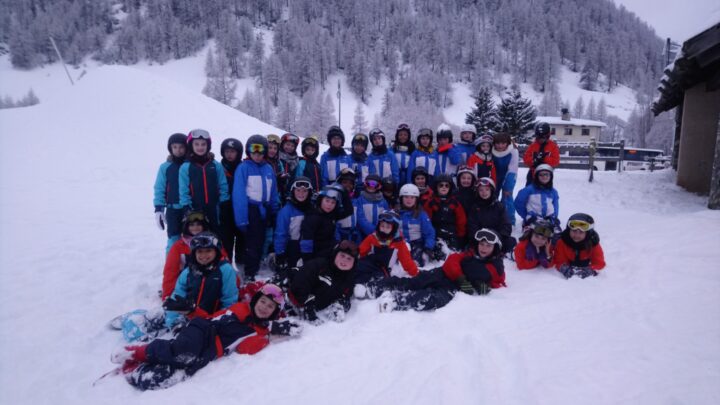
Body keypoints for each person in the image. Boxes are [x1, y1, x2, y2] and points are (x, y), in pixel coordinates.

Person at [113, 284, 301, 391]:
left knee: (170, 375)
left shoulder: (260, 332)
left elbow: (245, 349)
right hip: (202, 330)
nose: (264, 308)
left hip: (211, 351)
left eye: (270, 307)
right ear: (255, 300)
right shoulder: (239, 309)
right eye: (262, 302)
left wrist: (270, 335)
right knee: (183, 351)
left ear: (274, 314)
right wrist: (192, 311)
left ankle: (137, 370)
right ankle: (136, 352)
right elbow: (212, 318)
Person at [373, 228, 506, 312]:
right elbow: (452, 260)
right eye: (481, 244)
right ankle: (380, 286)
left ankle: (396, 301)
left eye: (488, 246)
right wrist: (460, 277)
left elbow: (498, 281)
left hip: (453, 288)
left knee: (434, 298)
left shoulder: (496, 266)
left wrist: (483, 287)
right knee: (416, 282)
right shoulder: (469, 254)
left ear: (496, 248)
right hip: (442, 274)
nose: (483, 248)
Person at [162, 232, 240, 330]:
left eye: (208, 250)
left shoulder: (225, 270)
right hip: (188, 318)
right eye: (199, 251)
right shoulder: (188, 271)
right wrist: (174, 322)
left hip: (212, 321)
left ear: (216, 251)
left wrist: (217, 323)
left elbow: (229, 302)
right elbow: (177, 297)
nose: (204, 255)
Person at [233, 135, 281, 281]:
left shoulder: (268, 168)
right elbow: (239, 194)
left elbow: (273, 191)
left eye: (260, 151)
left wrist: (274, 211)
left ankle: (257, 267)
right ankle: (249, 273)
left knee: (261, 241)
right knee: (252, 244)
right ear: (248, 151)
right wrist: (241, 218)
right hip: (251, 210)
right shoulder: (244, 168)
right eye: (254, 151)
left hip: (264, 210)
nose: (257, 155)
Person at [288, 240, 359, 323]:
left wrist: (341, 305)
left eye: (349, 259)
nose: (344, 261)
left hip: (316, 305)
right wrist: (307, 306)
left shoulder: (349, 279)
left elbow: (346, 296)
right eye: (342, 255)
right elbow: (300, 283)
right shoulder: (319, 266)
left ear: (354, 263)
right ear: (335, 255)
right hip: (287, 296)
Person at [179, 129, 230, 234]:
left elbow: (223, 184)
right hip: (195, 210)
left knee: (216, 235)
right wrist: (186, 207)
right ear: (191, 146)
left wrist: (224, 203)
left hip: (214, 208)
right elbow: (183, 189)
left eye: (203, 144)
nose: (200, 147)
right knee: (198, 239)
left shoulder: (215, 165)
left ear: (208, 146)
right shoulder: (186, 167)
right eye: (196, 144)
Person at [161, 211, 218, 301]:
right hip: (186, 285)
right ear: (186, 227)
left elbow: (225, 266)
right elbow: (170, 272)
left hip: (210, 284)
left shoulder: (214, 243)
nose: (195, 228)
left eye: (199, 224)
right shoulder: (178, 247)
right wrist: (168, 296)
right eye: (192, 225)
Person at [355, 210, 418, 286]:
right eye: (382, 226)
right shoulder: (372, 238)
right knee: (357, 267)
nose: (384, 229)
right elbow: (360, 252)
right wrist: (352, 259)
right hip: (370, 264)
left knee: (374, 278)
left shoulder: (398, 243)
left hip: (383, 270)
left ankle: (366, 287)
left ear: (394, 228)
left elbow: (407, 261)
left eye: (388, 227)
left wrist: (415, 273)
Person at [299, 185, 353, 262]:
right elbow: (307, 241)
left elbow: (349, 211)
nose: (329, 205)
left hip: (330, 250)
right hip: (316, 254)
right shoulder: (312, 217)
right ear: (321, 200)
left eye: (333, 203)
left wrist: (344, 194)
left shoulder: (332, 215)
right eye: (327, 201)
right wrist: (307, 260)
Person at [153, 133, 188, 252]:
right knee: (174, 238)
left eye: (181, 147)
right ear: (170, 148)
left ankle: (191, 265)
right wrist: (159, 209)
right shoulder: (165, 167)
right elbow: (159, 188)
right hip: (173, 209)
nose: (178, 150)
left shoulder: (190, 165)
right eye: (175, 147)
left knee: (191, 237)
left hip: (189, 208)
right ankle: (172, 266)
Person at [274, 177, 313, 274]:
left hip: (311, 248)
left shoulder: (313, 209)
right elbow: (280, 234)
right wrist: (280, 253)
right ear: (293, 191)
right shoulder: (286, 211)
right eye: (298, 190)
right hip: (293, 248)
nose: (301, 194)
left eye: (304, 191)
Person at [466, 177, 515, 255]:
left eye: (487, 189)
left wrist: (499, 236)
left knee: (510, 241)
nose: (484, 192)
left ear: (491, 190)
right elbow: (472, 225)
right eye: (481, 190)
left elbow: (506, 224)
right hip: (480, 238)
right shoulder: (474, 207)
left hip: (496, 237)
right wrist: (479, 236)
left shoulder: (499, 206)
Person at [554, 213, 606, 279]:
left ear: (587, 233)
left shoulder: (593, 244)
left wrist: (590, 270)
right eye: (574, 231)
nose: (576, 235)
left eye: (581, 232)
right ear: (569, 230)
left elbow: (599, 263)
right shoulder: (562, 242)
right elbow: (559, 261)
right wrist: (564, 268)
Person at [423, 173, 467, 250]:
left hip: (452, 234)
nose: (444, 187)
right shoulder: (431, 202)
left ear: (450, 188)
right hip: (435, 233)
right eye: (441, 185)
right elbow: (426, 220)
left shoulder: (455, 203)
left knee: (453, 253)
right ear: (436, 187)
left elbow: (461, 221)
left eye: (447, 185)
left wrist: (460, 236)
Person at [397, 184, 437, 267]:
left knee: (414, 263)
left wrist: (428, 246)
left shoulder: (421, 214)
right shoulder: (396, 213)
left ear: (416, 199)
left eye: (412, 197)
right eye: (406, 197)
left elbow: (429, 232)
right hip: (400, 243)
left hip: (416, 243)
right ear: (401, 198)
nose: (409, 200)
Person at [219, 138, 244, 267]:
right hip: (224, 211)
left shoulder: (243, 167)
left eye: (233, 151)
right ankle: (227, 267)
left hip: (240, 210)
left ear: (238, 153)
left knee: (241, 241)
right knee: (226, 242)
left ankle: (241, 268)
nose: (229, 154)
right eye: (227, 151)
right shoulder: (218, 168)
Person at [515, 164, 559, 228]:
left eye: (546, 174)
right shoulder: (529, 190)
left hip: (549, 219)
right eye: (541, 175)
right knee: (535, 235)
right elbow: (519, 203)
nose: (544, 177)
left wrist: (554, 217)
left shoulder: (553, 192)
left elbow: (555, 206)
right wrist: (527, 216)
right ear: (536, 176)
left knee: (555, 235)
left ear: (551, 176)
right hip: (533, 220)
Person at [492, 132, 519, 226]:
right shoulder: (491, 151)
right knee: (492, 197)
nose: (500, 146)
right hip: (495, 177)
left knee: (507, 197)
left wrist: (508, 186)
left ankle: (509, 221)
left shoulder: (513, 151)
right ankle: (494, 217)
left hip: (508, 176)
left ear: (507, 143)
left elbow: (513, 169)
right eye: (497, 143)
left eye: (503, 143)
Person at [523, 122, 560, 186]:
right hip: (533, 173)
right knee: (529, 191)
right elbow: (526, 159)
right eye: (538, 137)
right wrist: (534, 159)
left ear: (547, 136)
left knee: (545, 192)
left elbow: (556, 161)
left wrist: (544, 158)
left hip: (546, 175)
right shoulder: (533, 145)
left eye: (543, 137)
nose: (541, 139)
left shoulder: (553, 146)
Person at [355, 174, 390, 238]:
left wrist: (381, 230)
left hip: (379, 234)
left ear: (379, 186)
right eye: (369, 184)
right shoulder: (360, 200)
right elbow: (360, 218)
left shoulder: (383, 201)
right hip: (362, 234)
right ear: (365, 184)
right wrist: (374, 231)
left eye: (374, 184)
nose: (371, 187)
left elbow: (386, 217)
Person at [335, 168, 363, 244]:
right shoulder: (335, 200)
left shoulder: (356, 200)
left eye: (351, 183)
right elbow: (333, 223)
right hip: (340, 236)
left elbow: (359, 220)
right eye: (345, 182)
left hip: (354, 236)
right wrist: (338, 241)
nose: (348, 185)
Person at [266, 134, 289, 199]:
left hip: (277, 197)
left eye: (275, 148)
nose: (272, 150)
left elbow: (283, 176)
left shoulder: (279, 163)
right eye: (270, 148)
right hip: (265, 197)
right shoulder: (261, 162)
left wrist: (283, 180)